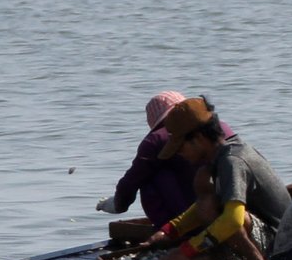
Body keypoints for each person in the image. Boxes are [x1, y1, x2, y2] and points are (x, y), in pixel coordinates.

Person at [133, 96, 286, 260]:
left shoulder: (233, 161)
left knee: (214, 210)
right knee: (204, 184)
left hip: (280, 241)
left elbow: (233, 220)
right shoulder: (219, 159)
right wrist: (170, 230)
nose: (179, 154)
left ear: (199, 139)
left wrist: (186, 251)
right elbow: (203, 208)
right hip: (262, 234)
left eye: (180, 147)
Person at [96, 90, 232, 224]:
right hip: (226, 206)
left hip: (194, 216)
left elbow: (130, 184)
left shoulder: (156, 140)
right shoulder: (221, 127)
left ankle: (175, 230)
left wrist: (113, 205)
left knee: (149, 176)